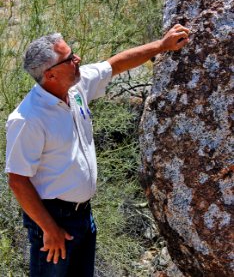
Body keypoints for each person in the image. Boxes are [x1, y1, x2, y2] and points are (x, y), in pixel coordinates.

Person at [5, 24, 189, 277]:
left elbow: (115, 64)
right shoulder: (28, 118)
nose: (77, 59)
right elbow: (17, 179)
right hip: (53, 220)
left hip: (82, 215)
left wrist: (162, 45)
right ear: (50, 75)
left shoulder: (75, 88)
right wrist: (50, 229)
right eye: (69, 58)